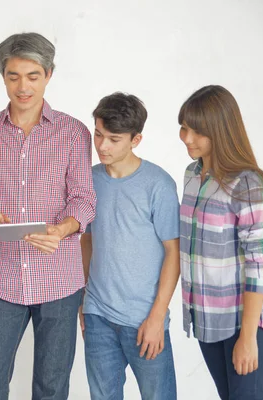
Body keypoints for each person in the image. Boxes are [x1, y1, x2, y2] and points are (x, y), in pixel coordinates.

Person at [0, 32, 96, 400]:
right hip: (1, 278)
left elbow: (84, 199)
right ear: (2, 75)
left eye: (33, 76)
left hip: (59, 282)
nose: (23, 87)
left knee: (52, 389)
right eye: (13, 76)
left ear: (49, 74)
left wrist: (62, 228)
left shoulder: (73, 133)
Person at [178, 85, 263, 399]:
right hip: (206, 317)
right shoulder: (192, 175)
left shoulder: (246, 182)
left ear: (220, 132)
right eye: (184, 128)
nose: (187, 138)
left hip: (243, 320)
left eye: (197, 131)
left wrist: (248, 336)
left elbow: (258, 262)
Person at [80, 92, 180, 399]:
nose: (102, 146)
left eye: (114, 139)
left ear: (136, 140)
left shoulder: (158, 185)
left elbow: (173, 254)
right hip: (98, 315)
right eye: (98, 135)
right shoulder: (89, 179)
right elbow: (87, 238)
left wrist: (156, 317)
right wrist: (86, 299)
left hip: (144, 319)